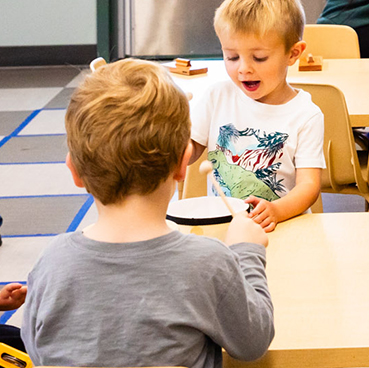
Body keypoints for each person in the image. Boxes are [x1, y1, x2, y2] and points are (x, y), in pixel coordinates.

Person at [22, 59, 274, 368]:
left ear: (74, 171)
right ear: (184, 164)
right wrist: (246, 251)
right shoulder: (209, 264)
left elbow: (37, 351)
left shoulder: (51, 262)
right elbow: (253, 343)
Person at [190, 0, 325, 232]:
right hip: (223, 228)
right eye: (231, 57)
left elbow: (309, 186)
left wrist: (277, 210)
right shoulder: (217, 96)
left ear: (293, 53)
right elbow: (190, 148)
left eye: (259, 58)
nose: (244, 69)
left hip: (283, 229)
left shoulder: (306, 115)